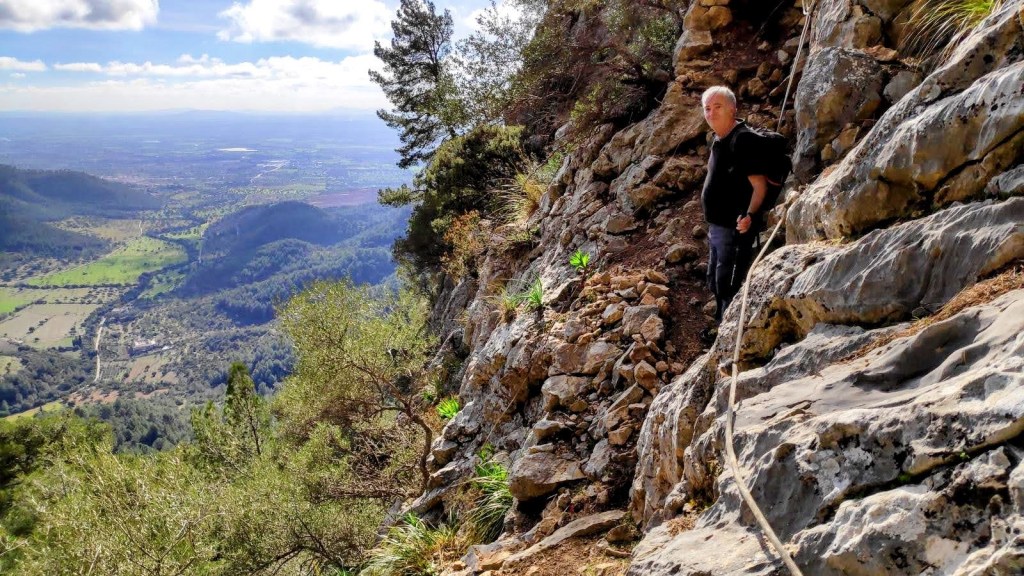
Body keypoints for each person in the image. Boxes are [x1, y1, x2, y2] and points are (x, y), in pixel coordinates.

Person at [699, 86, 768, 330]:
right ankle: (721, 319)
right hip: (717, 224)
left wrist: (750, 215)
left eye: (717, 107)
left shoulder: (742, 139)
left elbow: (759, 185)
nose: (711, 113)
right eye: (707, 108)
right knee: (715, 277)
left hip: (733, 226)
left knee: (727, 279)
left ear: (732, 109)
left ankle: (726, 330)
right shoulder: (720, 138)